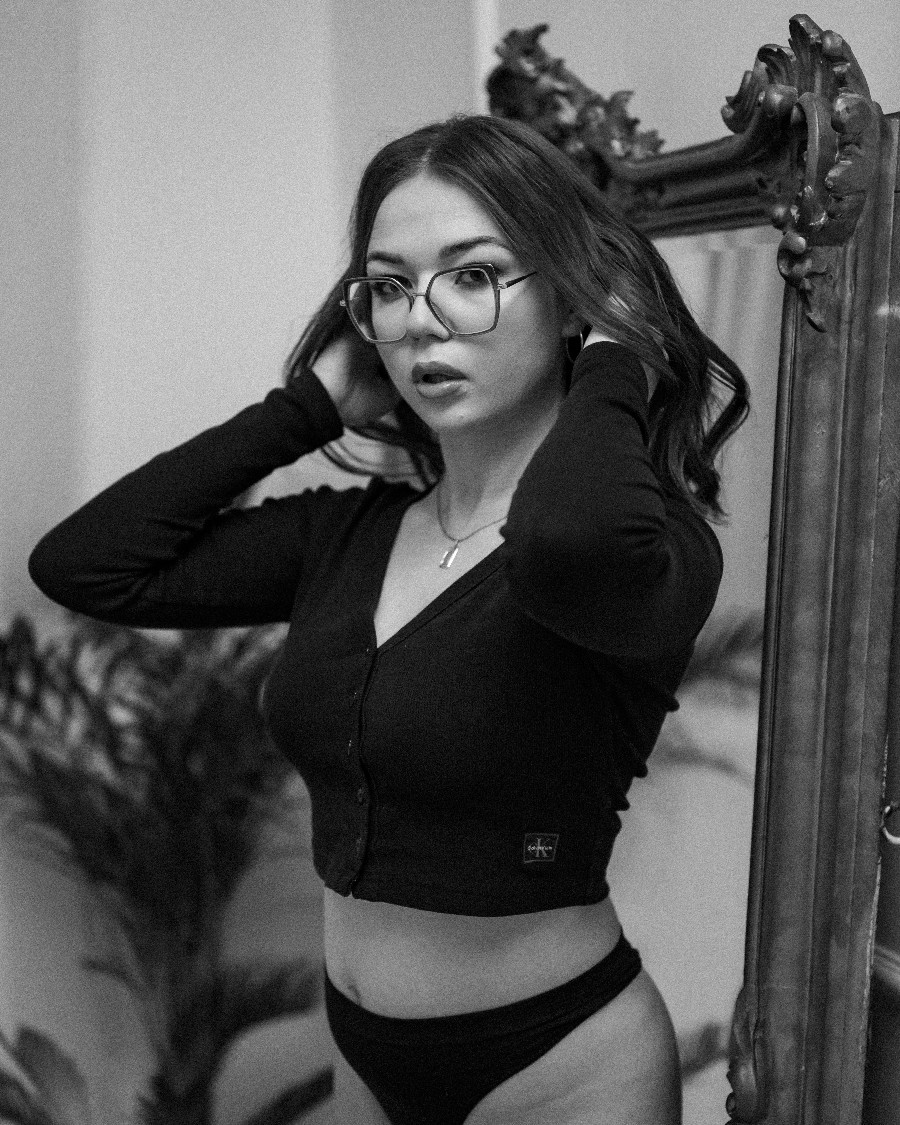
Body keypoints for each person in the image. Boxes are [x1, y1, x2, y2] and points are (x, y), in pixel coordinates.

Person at [29, 114, 748, 1125]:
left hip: (562, 1067)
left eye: (473, 274)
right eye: (389, 286)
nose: (421, 320)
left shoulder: (646, 548)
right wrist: (303, 410)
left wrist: (618, 360)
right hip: (364, 1054)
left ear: (568, 299)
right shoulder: (349, 535)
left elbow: (560, 539)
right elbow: (87, 565)